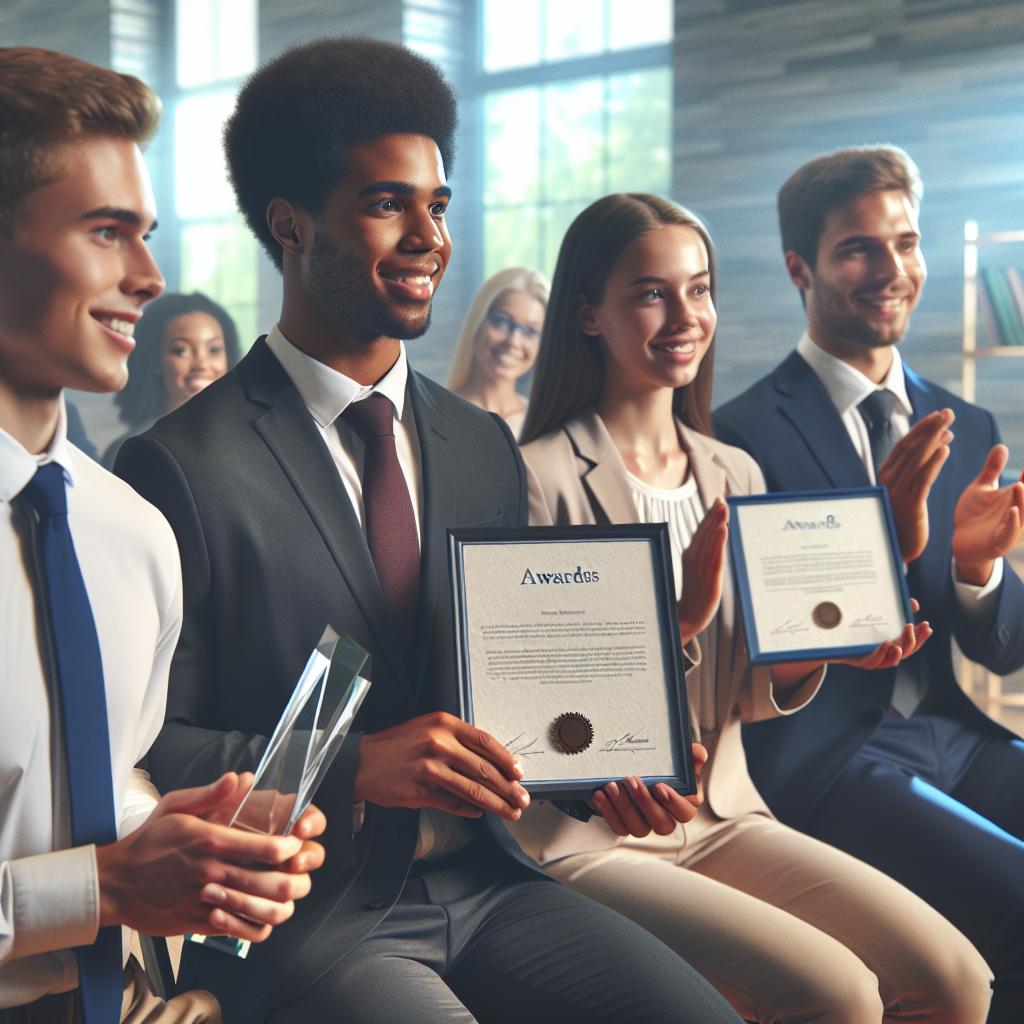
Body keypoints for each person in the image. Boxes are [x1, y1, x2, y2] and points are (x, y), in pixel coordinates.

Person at [114, 37, 744, 1024]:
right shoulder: (178, 464)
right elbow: (154, 745)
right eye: (385, 203)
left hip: (491, 882)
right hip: (310, 914)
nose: (428, 236)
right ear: (290, 223)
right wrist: (355, 761)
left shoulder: (481, 442)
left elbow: (508, 690)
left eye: (437, 206)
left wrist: (602, 763)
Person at [511, 192, 993, 1023]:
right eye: (651, 292)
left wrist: (824, 653)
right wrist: (681, 620)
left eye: (698, 289)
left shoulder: (733, 473)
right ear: (588, 314)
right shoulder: (534, 477)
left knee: (955, 979)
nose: (685, 314)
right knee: (839, 996)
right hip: (588, 837)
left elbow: (742, 692)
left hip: (723, 811)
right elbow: (546, 712)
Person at [0, 47, 324, 1023]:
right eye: (107, 233)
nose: (149, 276)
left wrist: (181, 835)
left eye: (145, 235)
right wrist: (102, 885)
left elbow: (105, 780)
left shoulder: (131, 533)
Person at [714, 145, 1024, 1022]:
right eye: (860, 248)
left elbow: (1002, 648)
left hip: (957, 735)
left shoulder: (965, 423)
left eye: (906, 242)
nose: (892, 270)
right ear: (798, 268)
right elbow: (765, 641)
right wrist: (886, 534)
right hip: (830, 751)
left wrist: (975, 567)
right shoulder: (737, 438)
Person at [102, 292, 240, 468]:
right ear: (155, 360)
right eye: (181, 350)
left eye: (214, 350)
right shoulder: (130, 450)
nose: (202, 365)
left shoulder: (250, 439)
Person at [446, 267, 548, 437]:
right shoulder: (437, 413)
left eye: (530, 331)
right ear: (477, 323)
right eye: (501, 322)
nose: (513, 342)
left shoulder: (543, 426)